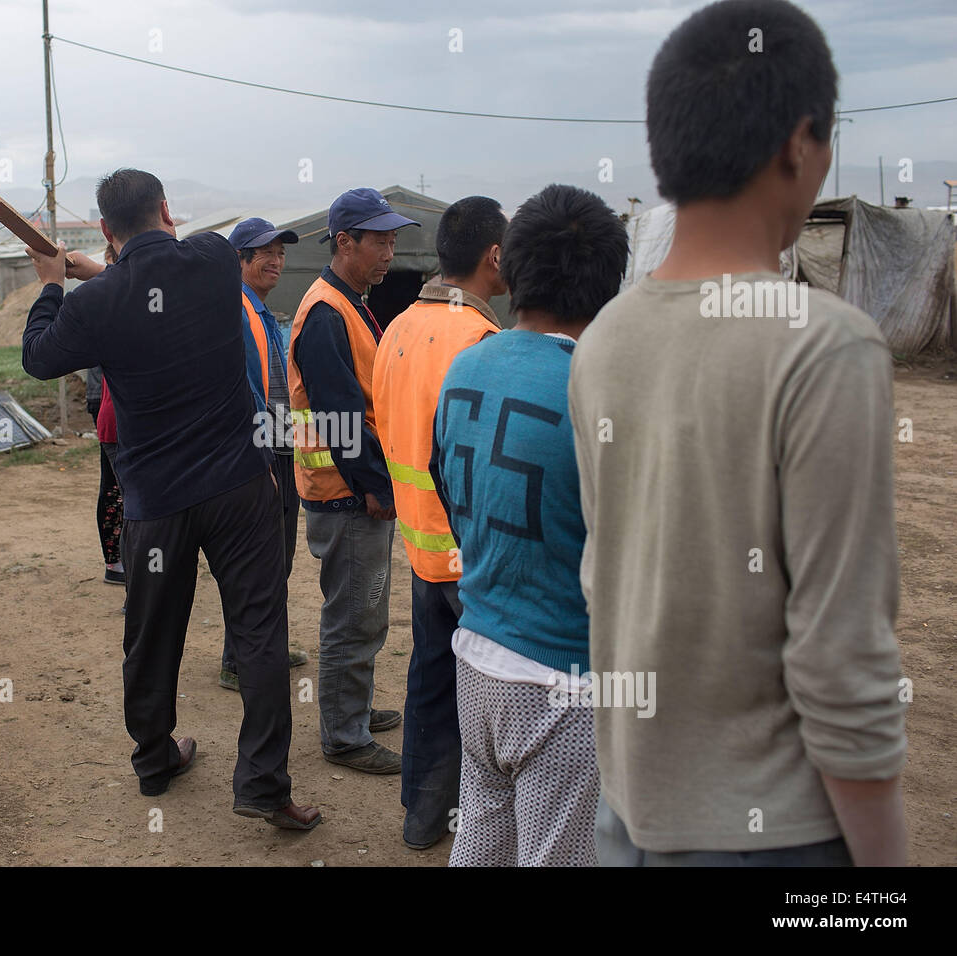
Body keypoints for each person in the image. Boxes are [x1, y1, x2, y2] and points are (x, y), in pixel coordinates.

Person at [569, 0, 907, 865]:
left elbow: (604, 576)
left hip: (626, 817)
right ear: (801, 143)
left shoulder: (604, 338)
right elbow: (841, 660)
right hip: (771, 837)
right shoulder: (827, 348)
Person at [23, 168, 320, 830]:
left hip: (157, 502)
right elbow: (156, 284)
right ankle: (266, 786)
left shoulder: (95, 306)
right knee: (260, 635)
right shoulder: (215, 260)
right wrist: (102, 269)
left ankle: (154, 761)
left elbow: (39, 356)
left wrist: (52, 280)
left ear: (104, 229)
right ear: (166, 209)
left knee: (152, 636)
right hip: (239, 487)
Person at [432, 185, 627, 866]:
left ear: (511, 271)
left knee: (481, 846)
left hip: (477, 654)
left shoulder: (465, 367)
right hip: (563, 679)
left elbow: (447, 489)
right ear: (608, 285)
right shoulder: (602, 390)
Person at [373, 196, 507, 849]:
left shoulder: (396, 327)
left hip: (421, 546)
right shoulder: (482, 343)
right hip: (474, 554)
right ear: (494, 256)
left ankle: (422, 816)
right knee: (486, 692)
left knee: (429, 676)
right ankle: (482, 828)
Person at [287, 187, 417, 774]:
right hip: (345, 496)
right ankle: (344, 735)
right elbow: (341, 417)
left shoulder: (350, 300)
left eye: (393, 239)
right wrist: (377, 487)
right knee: (353, 615)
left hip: (351, 490)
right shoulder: (325, 313)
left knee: (364, 611)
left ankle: (354, 710)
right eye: (381, 240)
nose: (391, 251)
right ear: (345, 241)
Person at [217, 217, 310, 690]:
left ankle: (264, 645)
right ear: (240, 260)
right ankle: (238, 661)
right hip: (259, 450)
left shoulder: (261, 311)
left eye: (281, 253)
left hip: (278, 444)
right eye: (265, 253)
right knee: (257, 560)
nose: (276, 261)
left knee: (278, 557)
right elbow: (241, 388)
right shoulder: (234, 308)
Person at [94, 245, 126, 590]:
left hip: (118, 419)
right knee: (126, 500)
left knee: (127, 497)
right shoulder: (115, 305)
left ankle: (125, 568)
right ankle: (120, 566)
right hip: (119, 421)